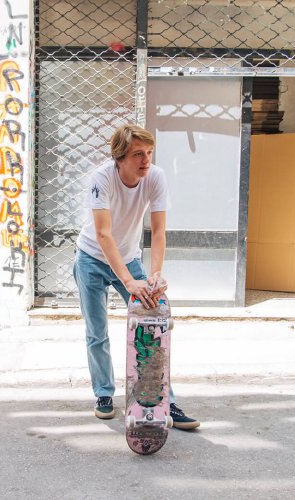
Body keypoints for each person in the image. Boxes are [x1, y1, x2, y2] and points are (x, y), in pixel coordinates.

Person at [73, 124, 200, 430]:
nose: (146, 160)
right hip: (91, 258)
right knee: (97, 333)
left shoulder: (154, 177)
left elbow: (157, 231)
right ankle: (104, 394)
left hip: (129, 258)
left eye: (149, 153)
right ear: (119, 158)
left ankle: (162, 400)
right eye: (137, 154)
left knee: (153, 328)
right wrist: (129, 282)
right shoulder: (101, 179)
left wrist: (155, 275)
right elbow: (103, 234)